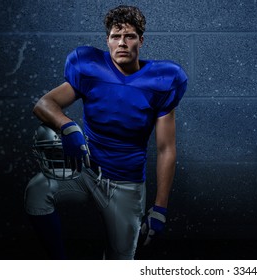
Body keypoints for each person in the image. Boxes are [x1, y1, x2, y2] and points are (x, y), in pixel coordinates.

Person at [24, 5, 187, 259]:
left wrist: (160, 208)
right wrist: (68, 127)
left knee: (119, 263)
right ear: (107, 41)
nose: (122, 43)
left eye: (130, 36)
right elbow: (44, 104)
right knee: (37, 192)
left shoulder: (162, 81)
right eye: (116, 36)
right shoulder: (89, 67)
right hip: (86, 171)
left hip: (126, 184)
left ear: (141, 41)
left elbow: (166, 149)